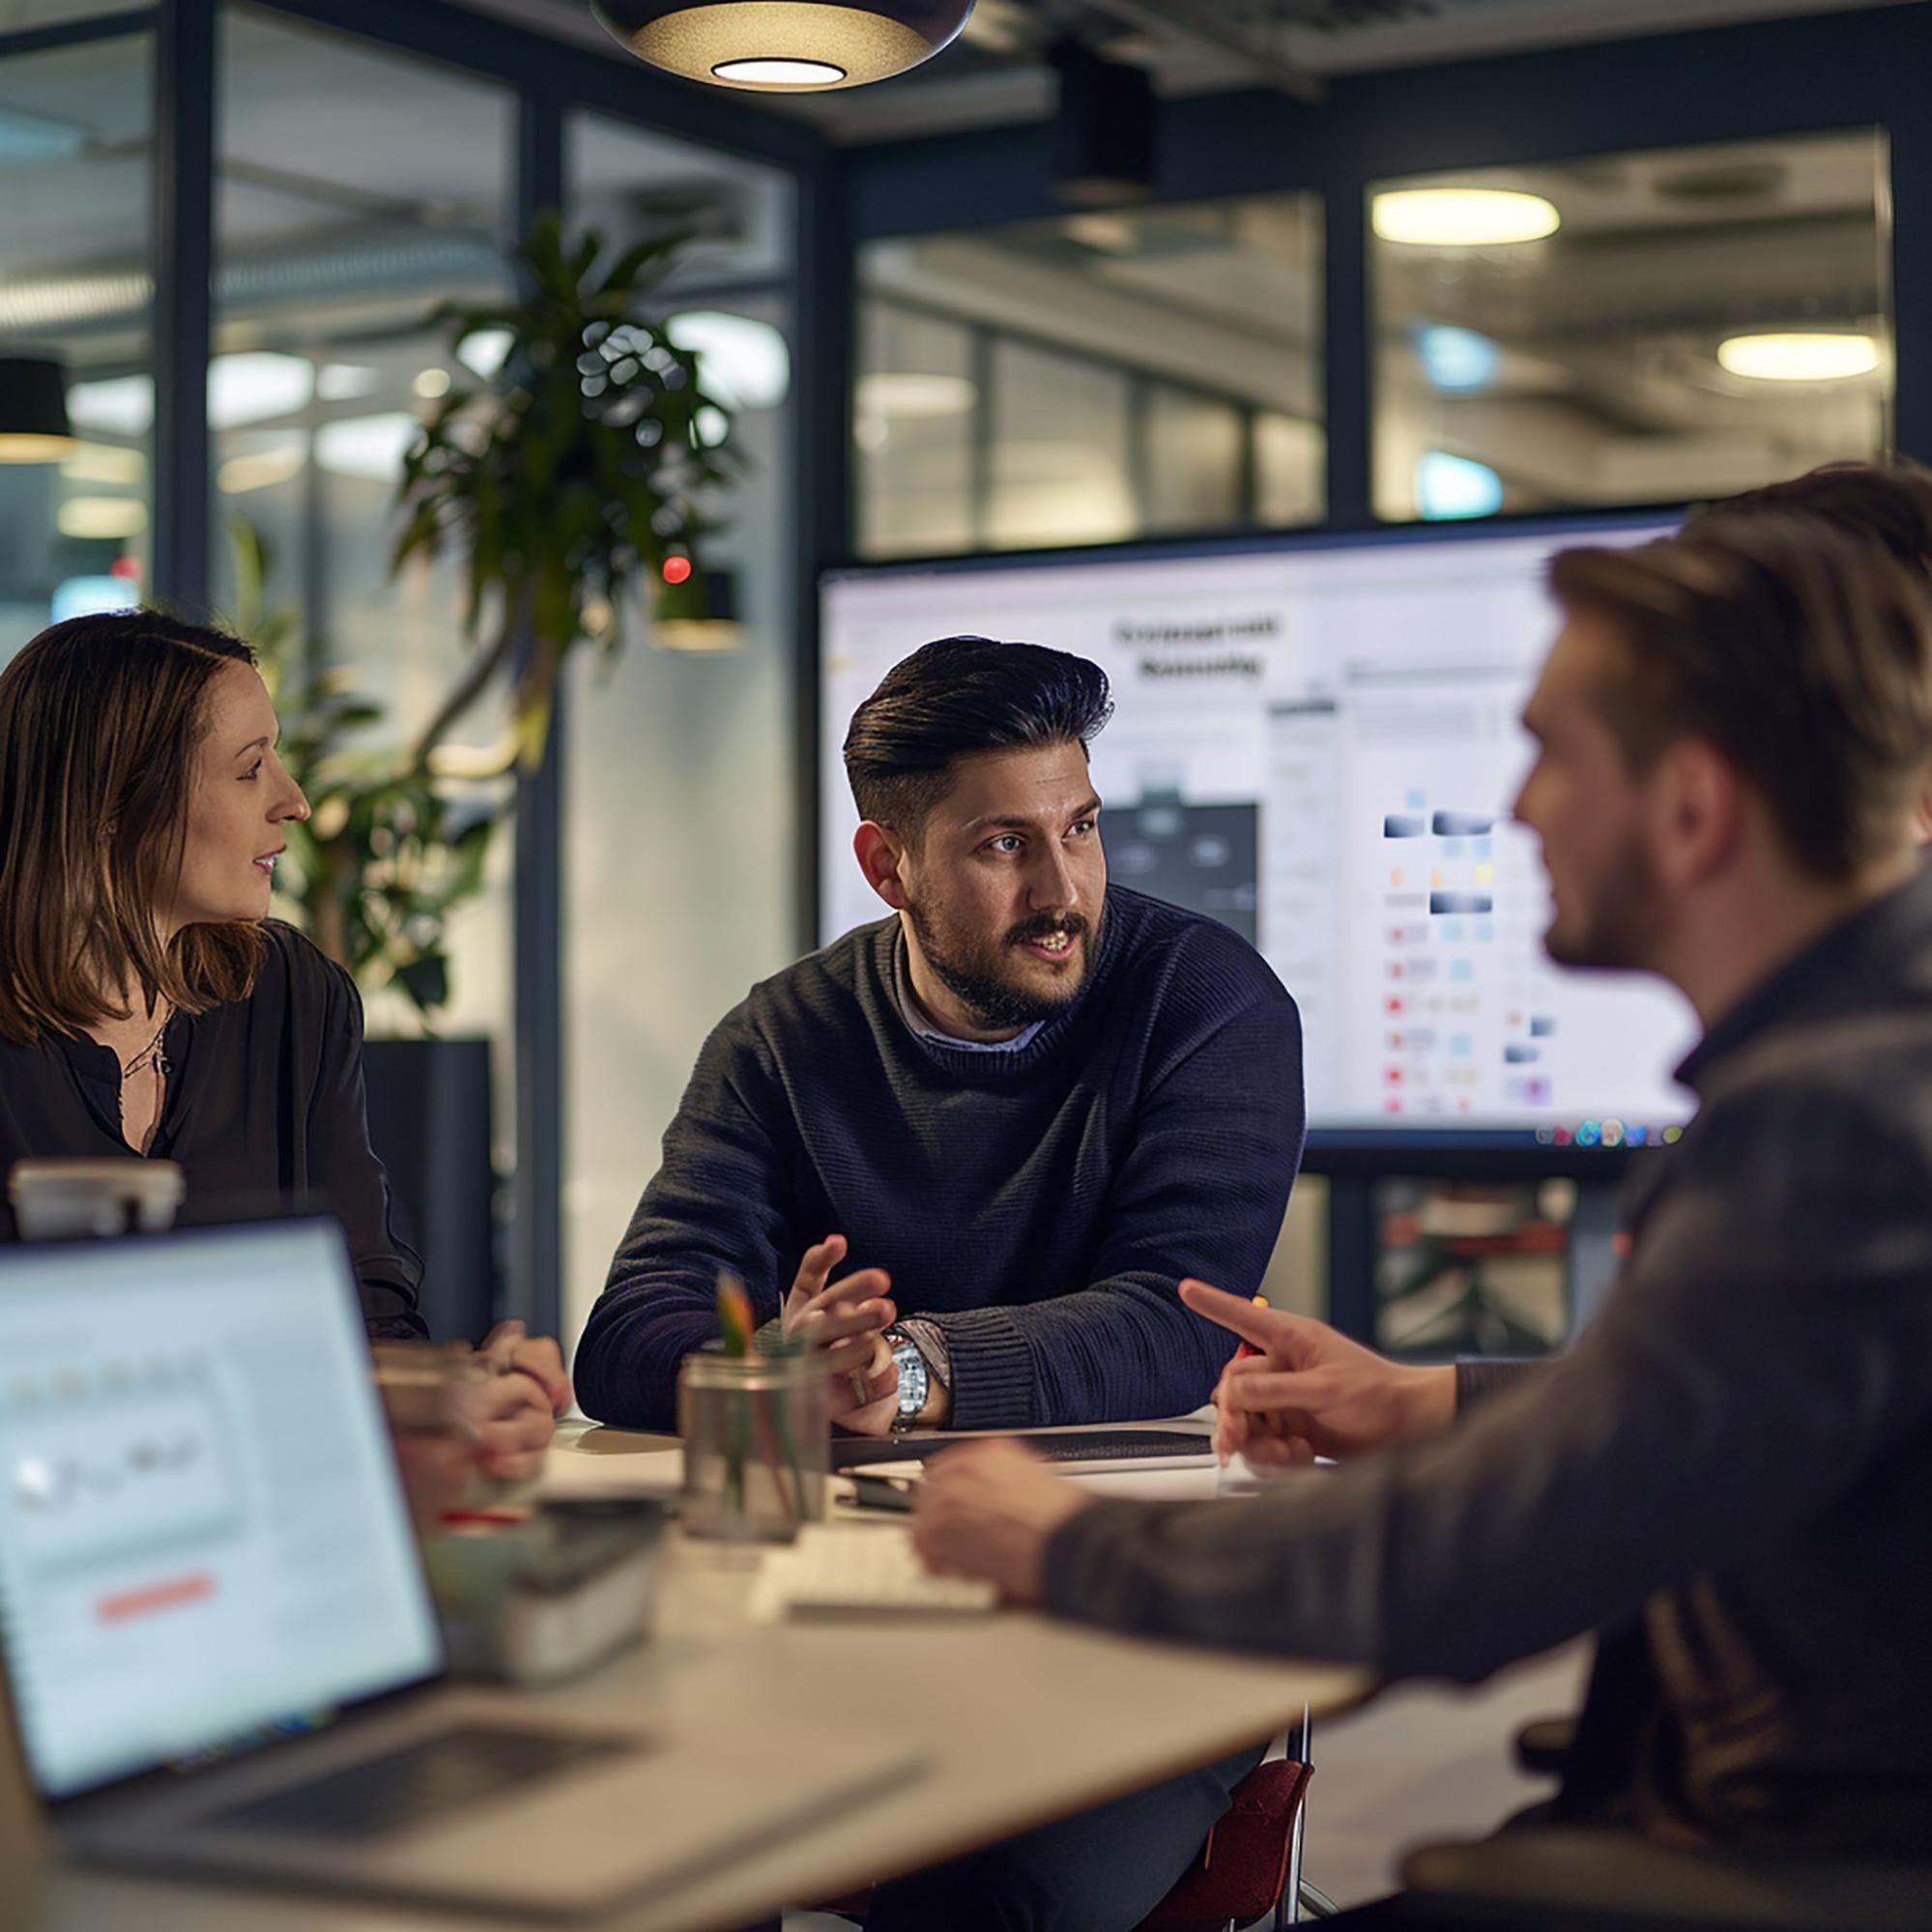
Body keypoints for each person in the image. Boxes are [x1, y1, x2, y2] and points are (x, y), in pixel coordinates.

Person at [912, 513, 1932, 1875]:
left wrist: (1077, 1543)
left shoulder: (1833, 1125)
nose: (1516, 807)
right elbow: (1727, 1405)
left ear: (1689, 806)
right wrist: (1424, 1398)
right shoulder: (1873, 1060)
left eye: (1550, 754)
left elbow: (1477, 1559)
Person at [576, 634, 1305, 1931]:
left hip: (1124, 1613)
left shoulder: (1203, 1001)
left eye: (1077, 828)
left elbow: (1168, 1321)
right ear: (885, 863)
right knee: (644, 1836)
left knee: (988, 1894)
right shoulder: (781, 1036)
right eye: (1000, 844)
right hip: (847, 1614)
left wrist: (903, 1371)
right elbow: (631, 1330)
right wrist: (774, 1366)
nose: (1063, 884)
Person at [0, 611, 569, 1481]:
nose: (293, 799)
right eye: (249, 768)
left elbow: (363, 1305)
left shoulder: (292, 997)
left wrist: (450, 1386)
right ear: (115, 806)